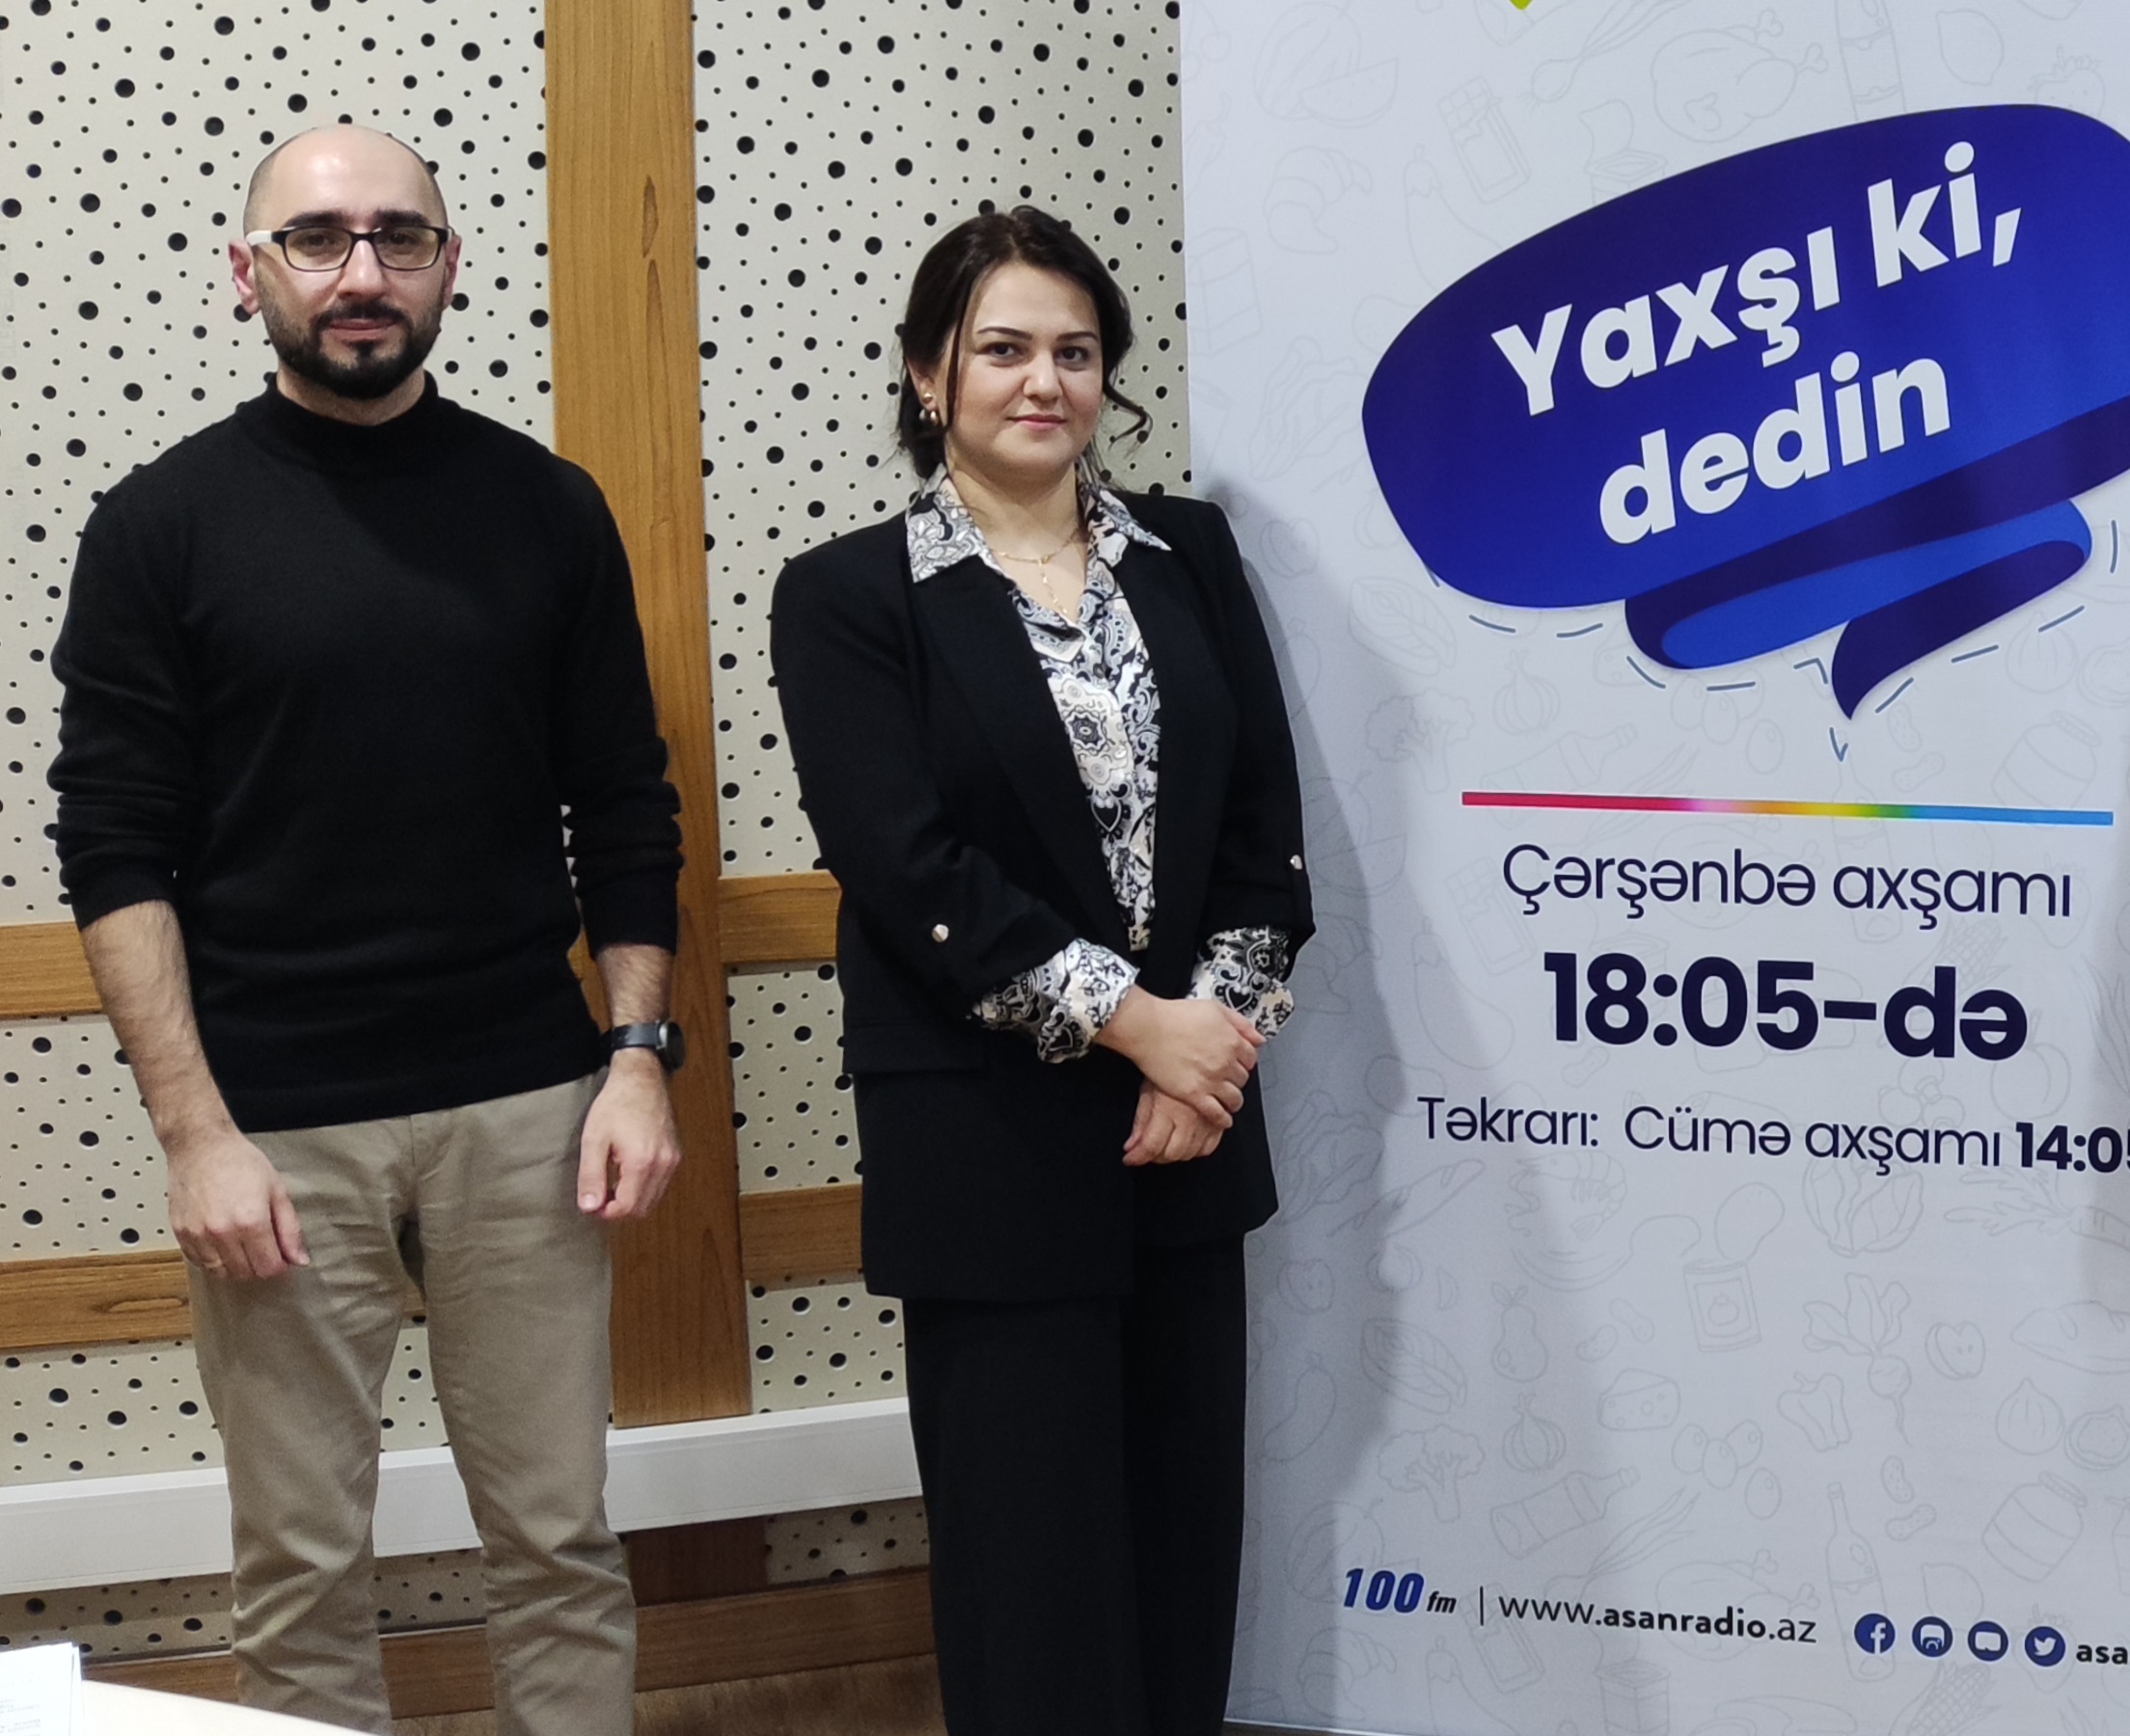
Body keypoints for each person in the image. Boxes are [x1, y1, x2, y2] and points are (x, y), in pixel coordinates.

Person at [47, 126, 687, 1734]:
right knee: (302, 1571)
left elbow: (624, 805)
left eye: (400, 237)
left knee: (559, 1542)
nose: (361, 272)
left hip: (529, 1110)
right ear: (247, 273)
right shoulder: (159, 527)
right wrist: (195, 1136)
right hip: (276, 1131)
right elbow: (114, 849)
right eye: (319, 238)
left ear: (449, 267)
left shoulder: (548, 508)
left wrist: (635, 1060)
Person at [769, 206, 1312, 1736]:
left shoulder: (1191, 555)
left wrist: (1212, 1050)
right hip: (990, 1140)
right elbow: (910, 869)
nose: (1043, 381)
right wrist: (1144, 1029)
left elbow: (1265, 832)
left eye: (1076, 351)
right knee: (1033, 1577)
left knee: (1182, 1552)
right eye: (1002, 348)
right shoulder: (846, 595)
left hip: (1188, 1135)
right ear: (927, 374)